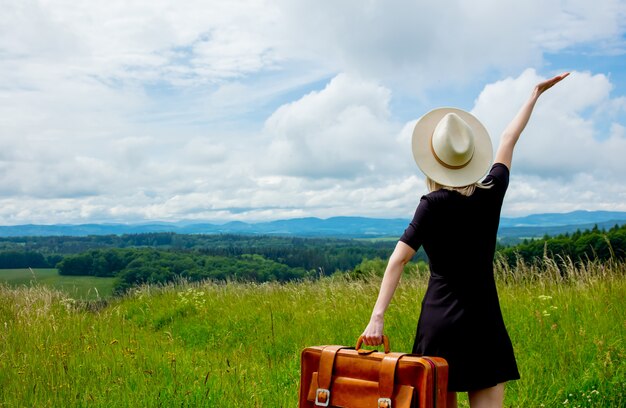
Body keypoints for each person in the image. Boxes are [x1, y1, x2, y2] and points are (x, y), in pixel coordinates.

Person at [361, 72, 569, 408]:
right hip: (484, 325)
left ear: (433, 162)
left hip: (439, 326)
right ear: (471, 157)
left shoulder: (431, 205)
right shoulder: (492, 191)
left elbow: (398, 259)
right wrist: (534, 94)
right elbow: (507, 138)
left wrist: (377, 316)